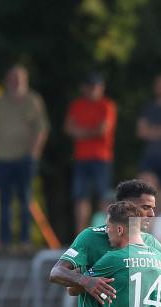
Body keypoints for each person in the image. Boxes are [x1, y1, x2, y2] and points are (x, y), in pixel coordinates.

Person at [0, 65, 50, 247]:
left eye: (19, 78)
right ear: (6, 81)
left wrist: (33, 154)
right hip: (1, 159)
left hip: (24, 158)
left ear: (25, 81)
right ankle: (4, 241)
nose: (16, 82)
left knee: (25, 200)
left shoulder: (33, 101)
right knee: (3, 202)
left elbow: (41, 130)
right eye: (12, 78)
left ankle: (25, 240)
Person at [66, 73, 117, 232]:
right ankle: (80, 236)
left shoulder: (107, 105)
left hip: (101, 158)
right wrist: (91, 132)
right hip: (81, 158)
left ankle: (108, 232)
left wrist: (81, 133)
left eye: (96, 86)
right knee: (81, 197)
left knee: (104, 197)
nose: (93, 90)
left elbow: (103, 130)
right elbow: (68, 128)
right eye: (90, 86)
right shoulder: (77, 105)